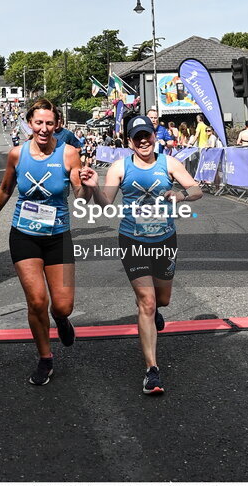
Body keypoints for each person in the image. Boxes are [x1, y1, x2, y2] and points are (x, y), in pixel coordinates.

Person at [82, 115, 203, 395]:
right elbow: (105, 203)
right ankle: (152, 370)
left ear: (154, 136)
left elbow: (197, 189)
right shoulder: (119, 167)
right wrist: (93, 187)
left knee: (162, 300)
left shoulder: (169, 163)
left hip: (164, 239)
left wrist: (181, 196)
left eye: (147, 135)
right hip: (132, 240)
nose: (144, 141)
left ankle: (156, 311)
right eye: (137, 137)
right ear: (129, 141)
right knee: (146, 302)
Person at [0, 98, 89, 386]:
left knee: (62, 306)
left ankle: (63, 321)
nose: (44, 128)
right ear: (29, 123)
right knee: (37, 301)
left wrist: (86, 184)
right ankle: (45, 358)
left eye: (49, 123)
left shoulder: (69, 154)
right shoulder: (17, 154)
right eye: (38, 122)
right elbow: (5, 189)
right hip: (24, 234)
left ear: (58, 125)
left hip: (58, 236)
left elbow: (80, 195)